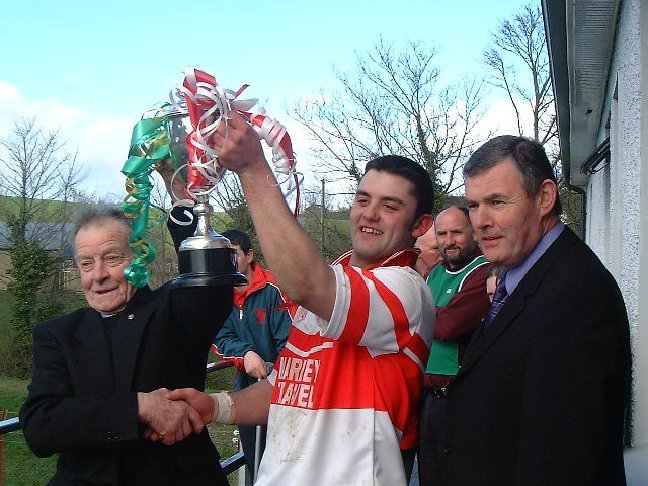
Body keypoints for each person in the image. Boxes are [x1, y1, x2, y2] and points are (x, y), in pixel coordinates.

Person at [166, 110, 436, 485]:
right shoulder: (339, 278)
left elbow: (306, 283)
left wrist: (253, 167)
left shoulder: (405, 288)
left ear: (420, 225)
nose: (369, 214)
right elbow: (288, 386)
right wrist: (215, 406)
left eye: (390, 207)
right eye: (362, 199)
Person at [440, 135, 631, 485]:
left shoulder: (577, 298)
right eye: (473, 205)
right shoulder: (521, 275)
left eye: (496, 202)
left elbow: (561, 460)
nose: (479, 221)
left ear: (544, 197)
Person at [19, 206, 233, 485]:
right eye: (86, 263)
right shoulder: (58, 334)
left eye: (111, 258)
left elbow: (210, 277)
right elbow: (40, 426)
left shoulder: (174, 309)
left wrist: (182, 195)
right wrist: (139, 407)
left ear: (140, 259)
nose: (97, 275)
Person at [417, 205, 490, 486]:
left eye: (457, 232)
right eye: (442, 234)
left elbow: (448, 326)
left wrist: (413, 312)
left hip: (458, 399)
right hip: (427, 399)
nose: (449, 241)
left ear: (473, 232)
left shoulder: (482, 273)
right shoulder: (434, 272)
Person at [212, 228, 293, 483]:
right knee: (252, 455)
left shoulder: (274, 290)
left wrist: (274, 370)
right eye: (223, 256)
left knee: (283, 458)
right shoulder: (220, 294)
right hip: (247, 384)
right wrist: (245, 354)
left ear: (249, 255)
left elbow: (290, 341)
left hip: (281, 386)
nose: (229, 261)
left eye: (233, 254)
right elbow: (220, 337)